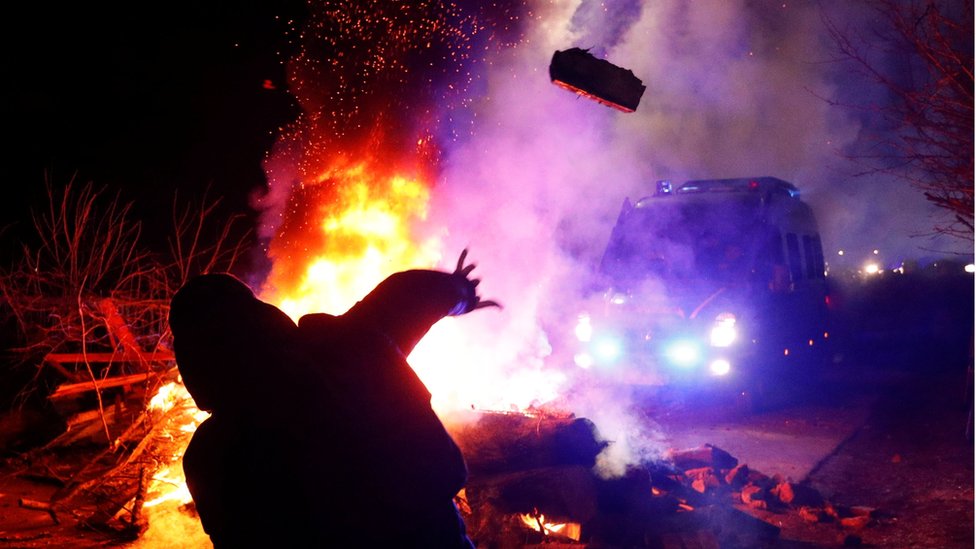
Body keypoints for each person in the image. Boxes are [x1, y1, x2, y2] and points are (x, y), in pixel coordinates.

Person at [169, 250, 498, 547]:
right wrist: (460, 293)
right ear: (262, 315)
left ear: (193, 362)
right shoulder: (343, 347)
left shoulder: (209, 455)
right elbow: (405, 298)